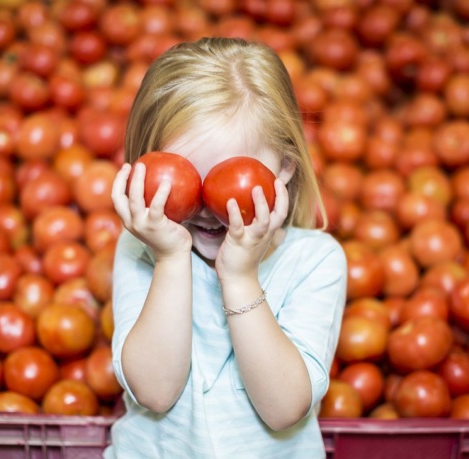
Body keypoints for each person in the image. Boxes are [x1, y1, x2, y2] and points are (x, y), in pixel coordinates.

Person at [106, 37, 347, 459]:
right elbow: (156, 392)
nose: (206, 205)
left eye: (232, 175)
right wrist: (170, 258)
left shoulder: (315, 261)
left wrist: (239, 276)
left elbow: (285, 408)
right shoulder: (142, 248)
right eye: (178, 176)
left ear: (286, 167)